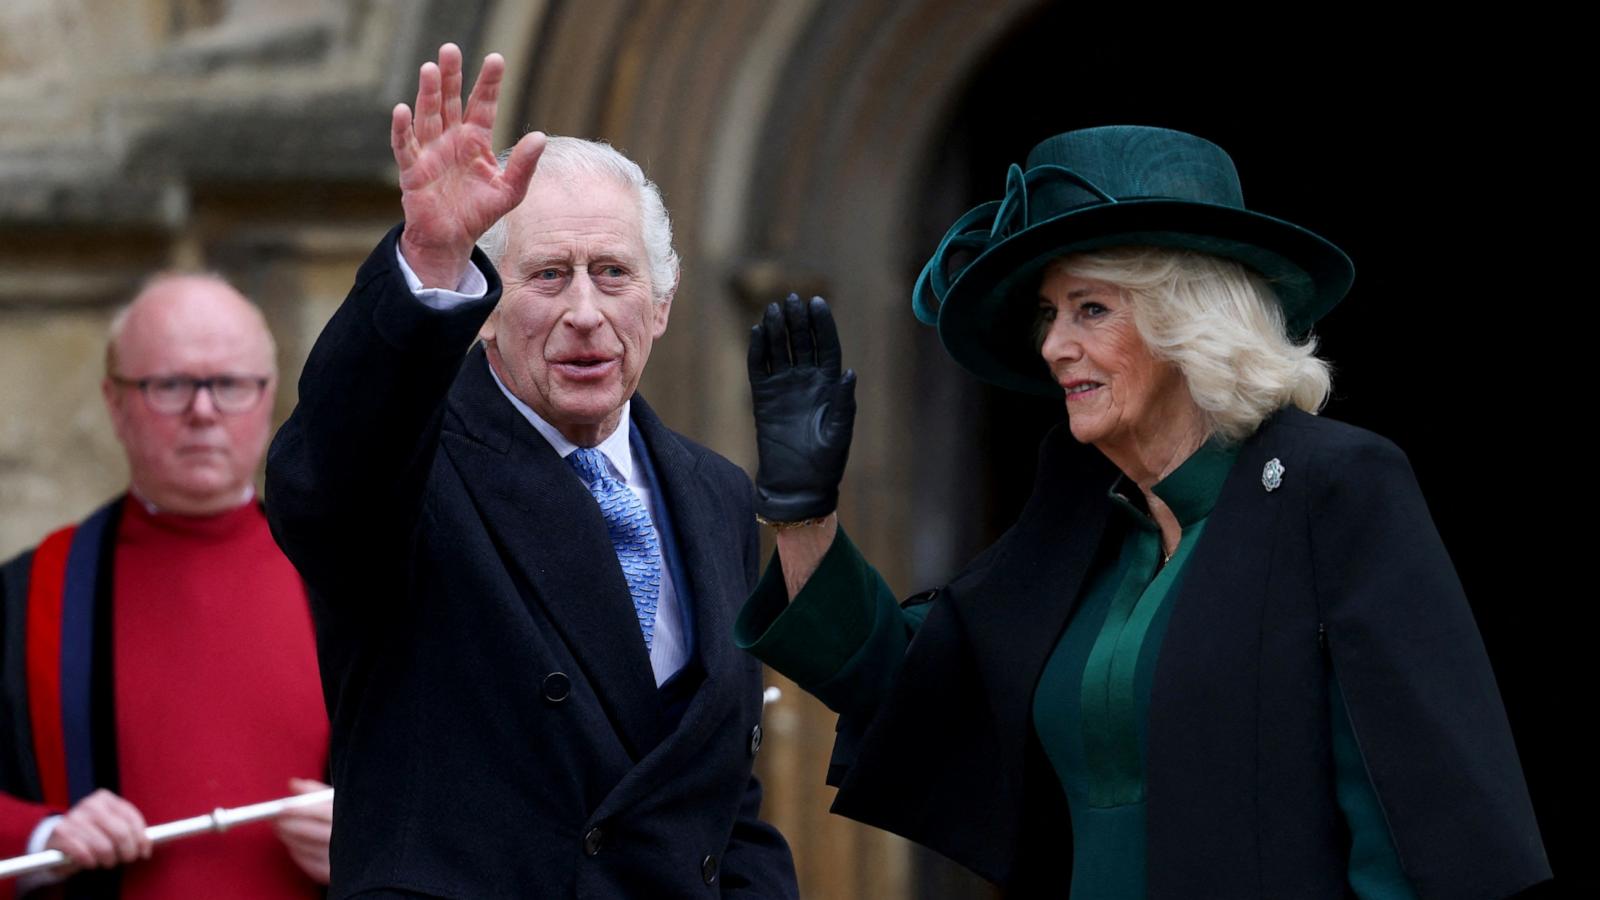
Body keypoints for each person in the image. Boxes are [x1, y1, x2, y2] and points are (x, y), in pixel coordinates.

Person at [737, 126, 1551, 898]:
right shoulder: (1085, 517)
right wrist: (803, 511)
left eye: (1091, 308)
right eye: (1049, 314)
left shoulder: (1332, 485)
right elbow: (908, 686)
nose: (1055, 344)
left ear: (1188, 318)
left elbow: (1415, 813)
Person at [264, 45, 797, 899]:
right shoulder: (416, 463)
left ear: (660, 306)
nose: (584, 314)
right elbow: (323, 486)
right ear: (487, 306)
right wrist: (430, 259)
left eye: (613, 274)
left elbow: (719, 797)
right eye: (548, 275)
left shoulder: (717, 493)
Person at [0, 273, 333, 899]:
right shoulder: (29, 594)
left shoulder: (348, 585)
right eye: (171, 385)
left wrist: (376, 840)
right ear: (115, 401)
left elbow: (466, 792)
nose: (202, 411)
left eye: (230, 384)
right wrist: (42, 837)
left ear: (269, 399)